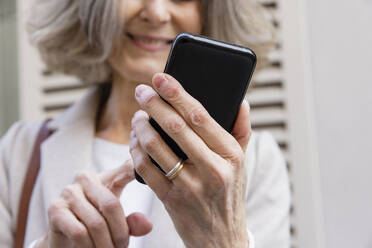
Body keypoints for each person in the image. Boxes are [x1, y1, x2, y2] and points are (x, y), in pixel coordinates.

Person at [0, 0, 290, 247]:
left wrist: (223, 238)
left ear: (210, 13)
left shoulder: (256, 160)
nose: (156, 13)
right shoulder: (20, 150)